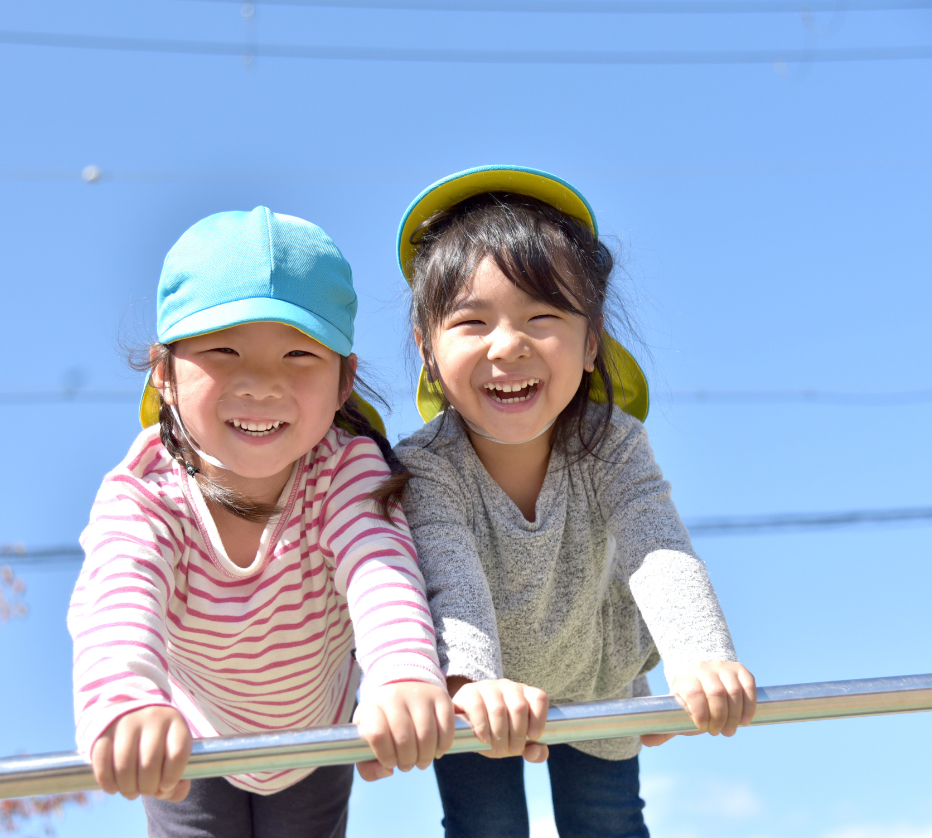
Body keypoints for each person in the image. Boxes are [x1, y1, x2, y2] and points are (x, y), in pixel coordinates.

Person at [393, 166, 758, 838]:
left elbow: (656, 545)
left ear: (592, 342)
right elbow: (449, 576)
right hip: (480, 688)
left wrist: (700, 657)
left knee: (607, 823)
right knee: (485, 826)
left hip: (596, 673)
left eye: (543, 317)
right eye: (472, 321)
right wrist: (471, 685)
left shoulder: (611, 443)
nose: (509, 344)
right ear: (427, 350)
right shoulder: (427, 465)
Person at [68, 207, 453, 838]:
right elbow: (119, 592)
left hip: (314, 733)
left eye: (300, 354)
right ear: (164, 373)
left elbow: (379, 568)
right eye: (224, 349)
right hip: (190, 736)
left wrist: (402, 672)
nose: (262, 383)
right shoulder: (146, 493)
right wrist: (126, 701)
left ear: (343, 382)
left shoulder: (342, 473)